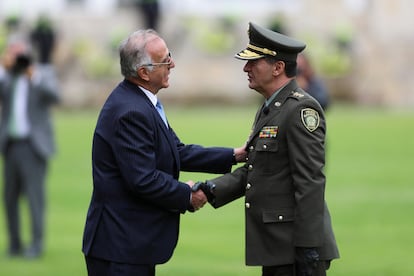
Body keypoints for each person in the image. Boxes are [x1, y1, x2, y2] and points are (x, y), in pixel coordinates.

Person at [81, 29, 246, 276]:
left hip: (129, 245)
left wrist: (234, 155)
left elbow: (175, 150)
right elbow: (143, 179)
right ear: (144, 73)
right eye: (165, 60)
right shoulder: (131, 111)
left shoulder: (141, 99)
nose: (173, 64)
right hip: (120, 247)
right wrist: (187, 196)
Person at [193, 22, 339, 276]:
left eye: (253, 62)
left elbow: (310, 183)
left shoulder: (300, 110)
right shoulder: (271, 107)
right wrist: (210, 190)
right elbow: (258, 168)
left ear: (278, 68)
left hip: (295, 249)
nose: (245, 68)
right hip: (276, 246)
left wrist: (307, 248)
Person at [0, 38, 60, 258]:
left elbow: (55, 95)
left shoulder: (42, 73)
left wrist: (32, 74)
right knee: (9, 197)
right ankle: (14, 244)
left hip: (34, 146)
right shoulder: (7, 77)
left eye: (20, 55)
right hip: (10, 143)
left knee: (35, 198)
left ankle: (36, 244)